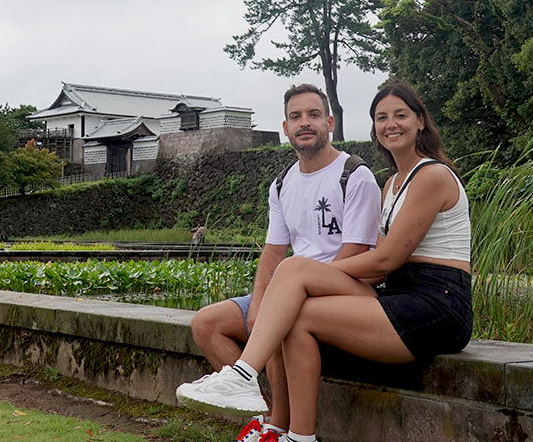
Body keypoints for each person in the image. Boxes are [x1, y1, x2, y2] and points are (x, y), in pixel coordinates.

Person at [176, 82, 473, 442]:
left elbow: (384, 259)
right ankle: (297, 436)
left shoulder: (431, 175)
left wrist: (304, 276)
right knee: (294, 312)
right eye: (381, 117)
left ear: (421, 122)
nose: (390, 124)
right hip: (401, 296)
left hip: (438, 305)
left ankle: (242, 377)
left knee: (293, 272)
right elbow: (380, 258)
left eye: (400, 115)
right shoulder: (394, 183)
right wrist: (295, 281)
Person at [187, 84, 381, 442]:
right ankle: (265, 419)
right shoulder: (282, 183)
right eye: (296, 117)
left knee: (281, 316)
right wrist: (261, 302)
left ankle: (280, 426)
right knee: (206, 324)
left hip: (343, 289)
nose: (304, 123)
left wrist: (292, 298)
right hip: (290, 284)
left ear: (330, 122)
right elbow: (274, 253)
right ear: (285, 127)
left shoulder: (355, 175)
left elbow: (357, 252)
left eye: (312, 115)